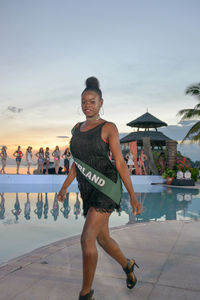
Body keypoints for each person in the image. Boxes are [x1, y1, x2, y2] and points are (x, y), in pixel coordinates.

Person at [58, 77, 142, 300]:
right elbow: (78, 163)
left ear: (101, 102)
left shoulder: (108, 128)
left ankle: (86, 294)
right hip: (88, 189)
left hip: (107, 187)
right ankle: (128, 265)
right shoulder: (77, 128)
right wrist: (64, 187)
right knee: (103, 240)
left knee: (87, 239)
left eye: (92, 101)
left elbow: (120, 163)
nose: (88, 105)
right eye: (84, 102)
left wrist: (133, 196)